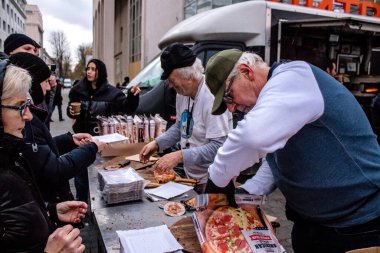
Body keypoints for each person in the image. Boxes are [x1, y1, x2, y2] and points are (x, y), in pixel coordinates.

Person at [203, 49, 380, 253]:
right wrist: (251, 190)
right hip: (313, 224)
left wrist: (216, 181)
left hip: (356, 226)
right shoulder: (278, 97)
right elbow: (278, 156)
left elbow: (251, 137)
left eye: (229, 97)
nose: (232, 109)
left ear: (246, 72)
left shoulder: (294, 78)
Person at [0, 61, 86, 252]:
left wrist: (50, 211)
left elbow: (14, 222)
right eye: (20, 106)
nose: (28, 116)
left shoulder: (12, 155)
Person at [9, 52, 105, 205]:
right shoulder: (23, 121)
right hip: (49, 203)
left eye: (93, 69)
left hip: (49, 206)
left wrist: (68, 140)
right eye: (45, 81)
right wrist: (91, 148)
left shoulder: (27, 115)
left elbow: (41, 148)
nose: (50, 86)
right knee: (81, 182)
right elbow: (54, 169)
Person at [139, 44, 232, 193]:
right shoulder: (182, 93)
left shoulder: (211, 96)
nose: (169, 85)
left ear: (188, 77)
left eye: (171, 79)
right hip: (192, 177)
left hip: (214, 181)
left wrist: (180, 156)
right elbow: (180, 126)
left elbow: (218, 147)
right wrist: (157, 143)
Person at [67, 58, 140, 201]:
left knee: (101, 176)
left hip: (103, 142)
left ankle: (101, 207)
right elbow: (71, 110)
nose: (89, 72)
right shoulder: (78, 90)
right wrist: (71, 111)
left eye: (93, 69)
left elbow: (127, 108)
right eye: (88, 69)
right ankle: (81, 208)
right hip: (82, 139)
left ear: (101, 72)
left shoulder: (112, 93)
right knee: (80, 176)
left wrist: (132, 96)